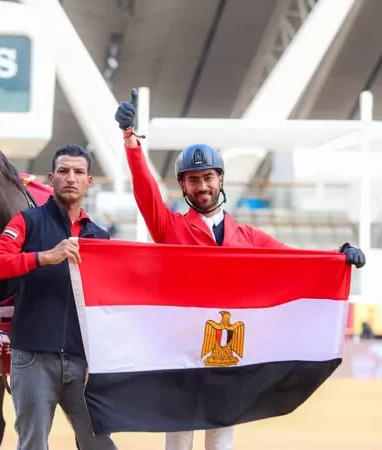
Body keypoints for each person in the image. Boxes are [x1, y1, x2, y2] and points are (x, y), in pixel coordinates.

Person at [114, 89, 366, 450]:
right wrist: (130, 141)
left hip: (229, 350)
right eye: (193, 180)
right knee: (179, 441)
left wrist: (338, 255)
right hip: (181, 349)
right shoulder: (169, 228)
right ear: (183, 186)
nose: (202, 186)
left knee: (220, 439)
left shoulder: (248, 237)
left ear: (221, 180)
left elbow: (295, 263)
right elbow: (145, 191)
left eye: (208, 178)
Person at [0, 145, 118, 450]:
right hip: (32, 359)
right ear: (50, 178)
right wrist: (43, 257)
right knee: (32, 445)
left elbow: (106, 306)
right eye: (64, 171)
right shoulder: (25, 222)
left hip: (83, 364)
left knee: (100, 445)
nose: (71, 178)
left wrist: (101, 361)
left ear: (89, 181)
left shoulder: (100, 236)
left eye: (79, 172)